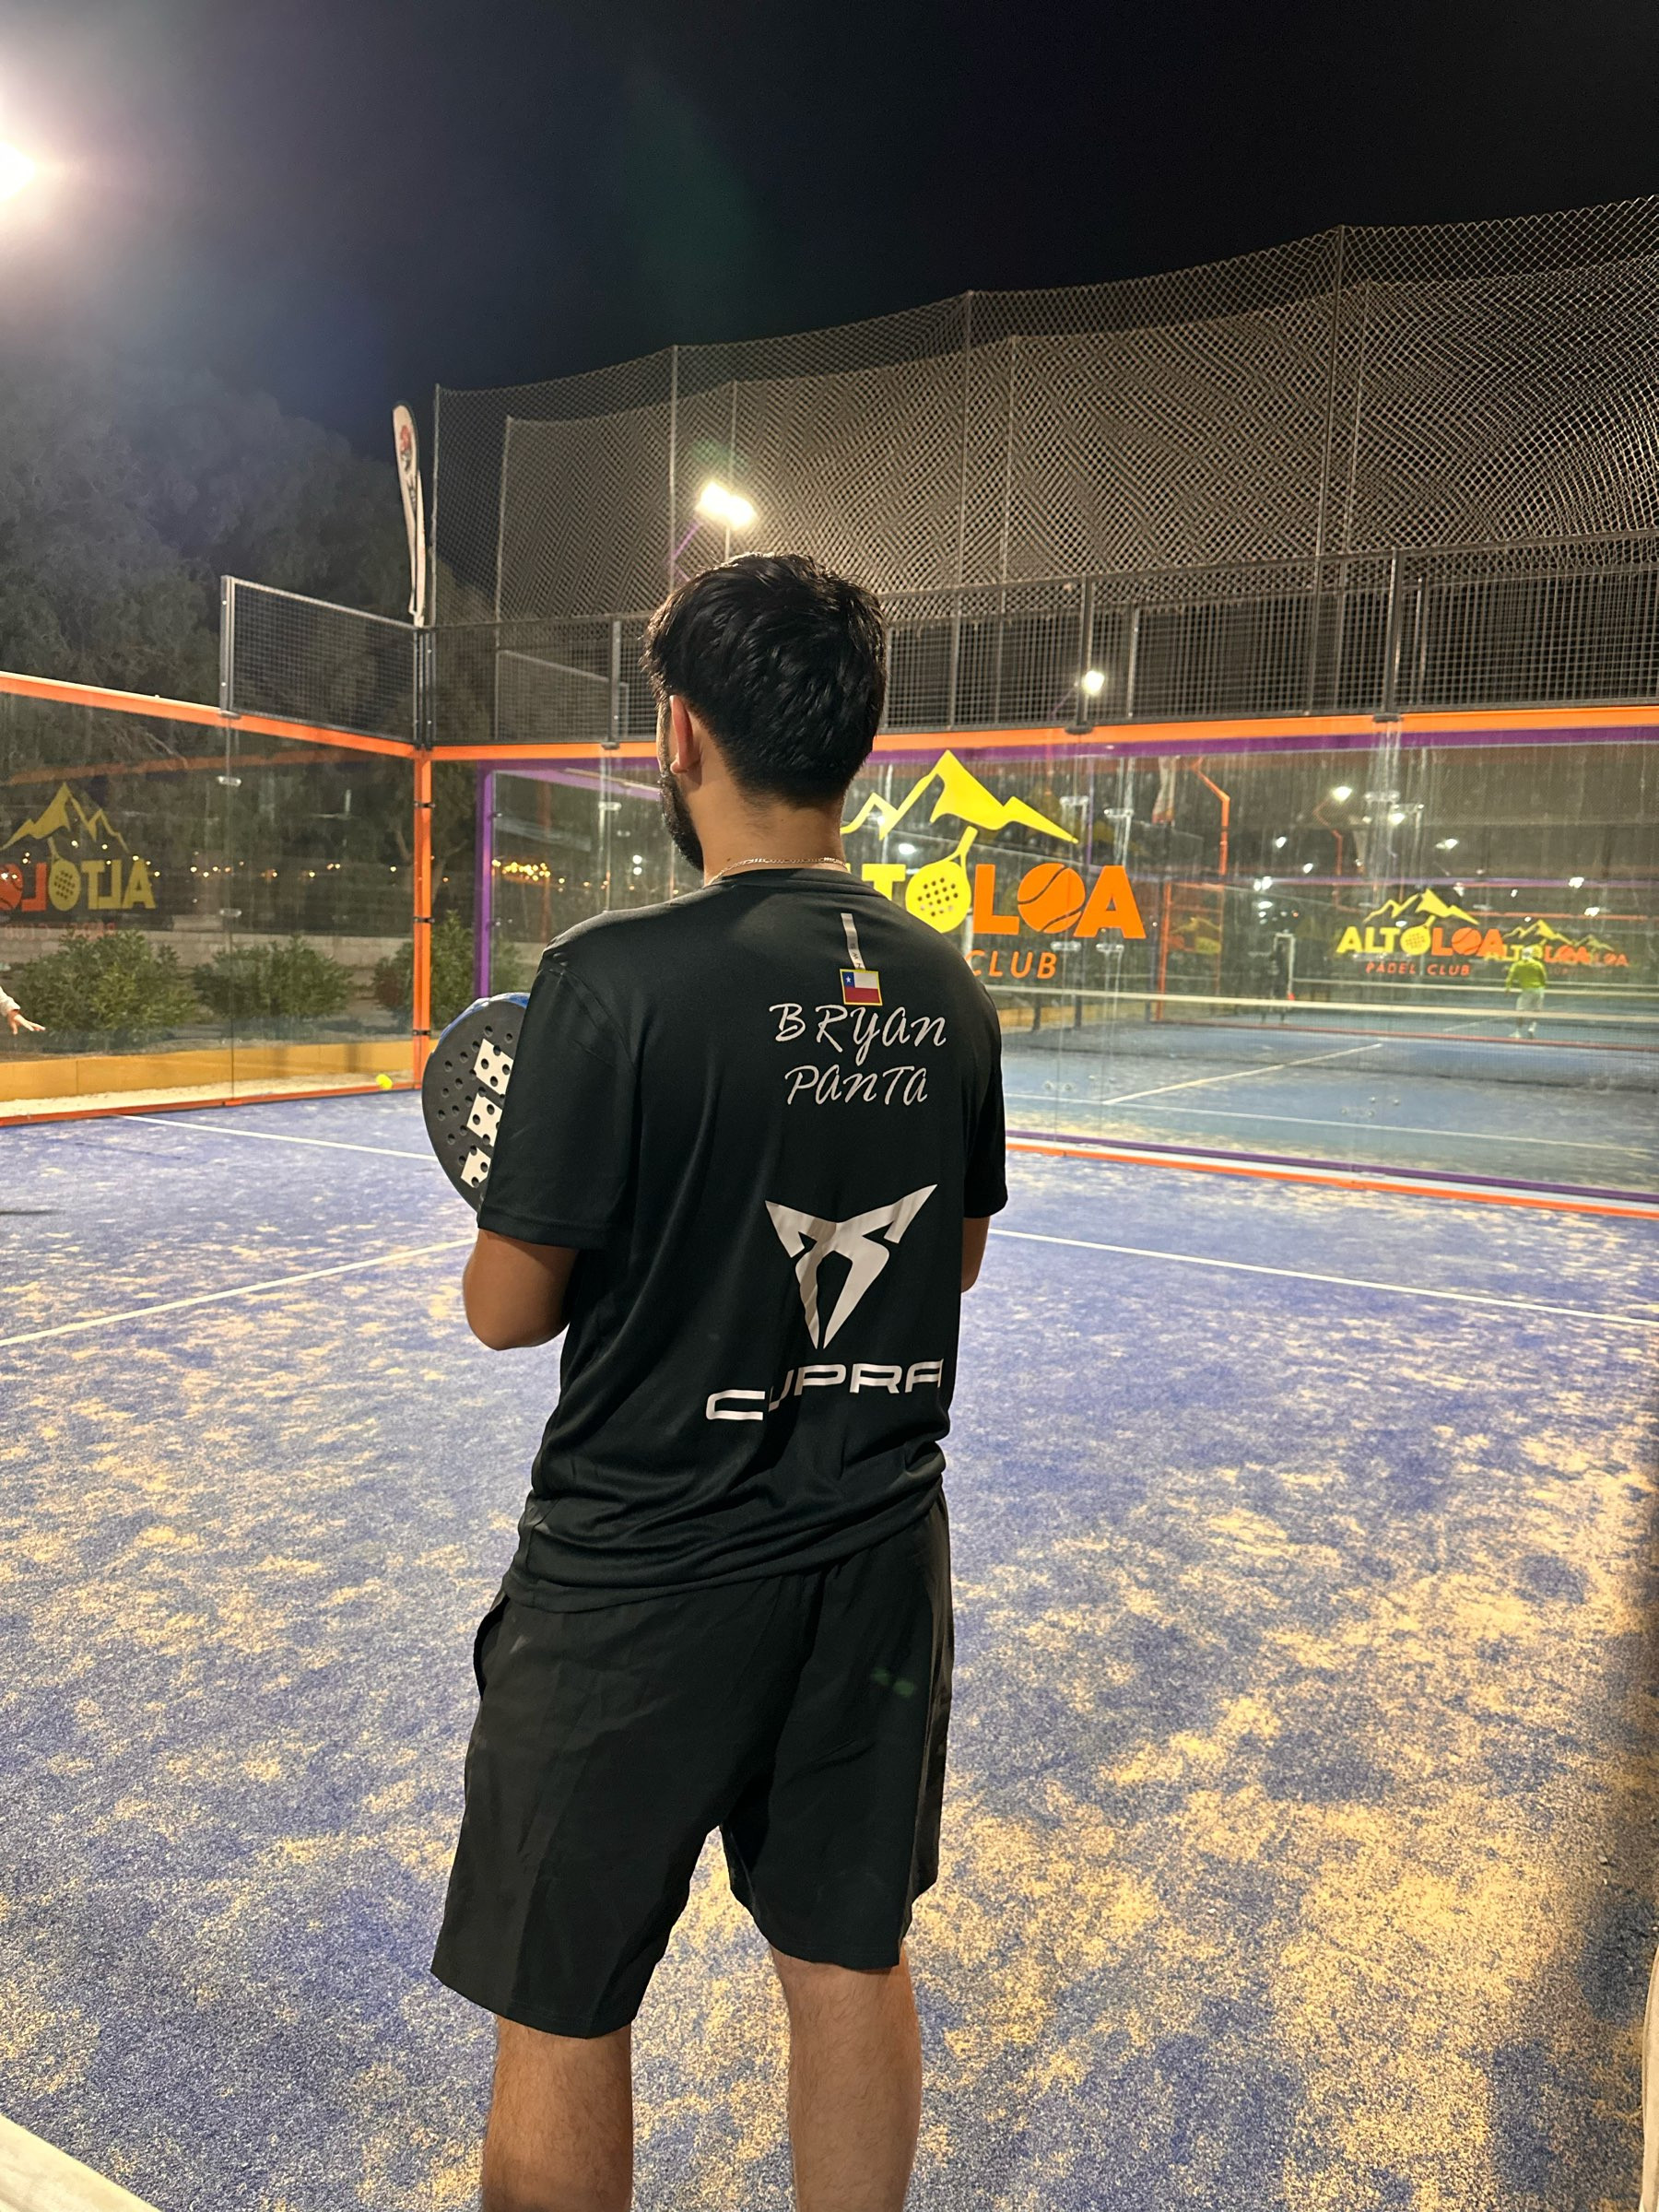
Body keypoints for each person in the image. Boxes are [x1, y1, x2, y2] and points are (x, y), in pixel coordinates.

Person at [432, 553, 1006, 2212]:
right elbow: (955, 1258)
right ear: (859, 744)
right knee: (846, 1959)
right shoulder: (946, 985)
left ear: (677, 733)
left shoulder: (609, 979)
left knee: (564, 1997)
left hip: (639, 1577)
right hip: (874, 1561)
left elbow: (505, 1312)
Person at [1505, 944, 1547, 1038]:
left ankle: (1517, 1032)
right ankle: (1531, 1028)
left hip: (1527, 991)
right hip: (1539, 991)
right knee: (1536, 1011)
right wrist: (1542, 986)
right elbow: (1544, 978)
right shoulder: (1538, 965)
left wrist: (1508, 989)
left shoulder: (1517, 965)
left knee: (1521, 1011)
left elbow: (1510, 978)